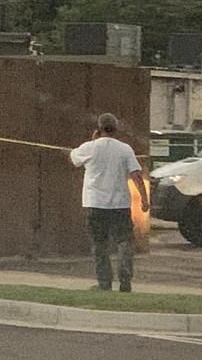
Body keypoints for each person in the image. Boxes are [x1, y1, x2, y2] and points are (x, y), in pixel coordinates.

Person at [69, 113, 150, 292]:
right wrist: (144, 198)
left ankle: (104, 282)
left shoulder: (89, 147)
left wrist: (92, 140)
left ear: (98, 129)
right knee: (124, 241)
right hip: (119, 204)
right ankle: (125, 278)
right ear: (116, 129)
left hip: (95, 203)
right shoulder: (125, 149)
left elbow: (73, 158)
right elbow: (136, 174)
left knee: (100, 244)